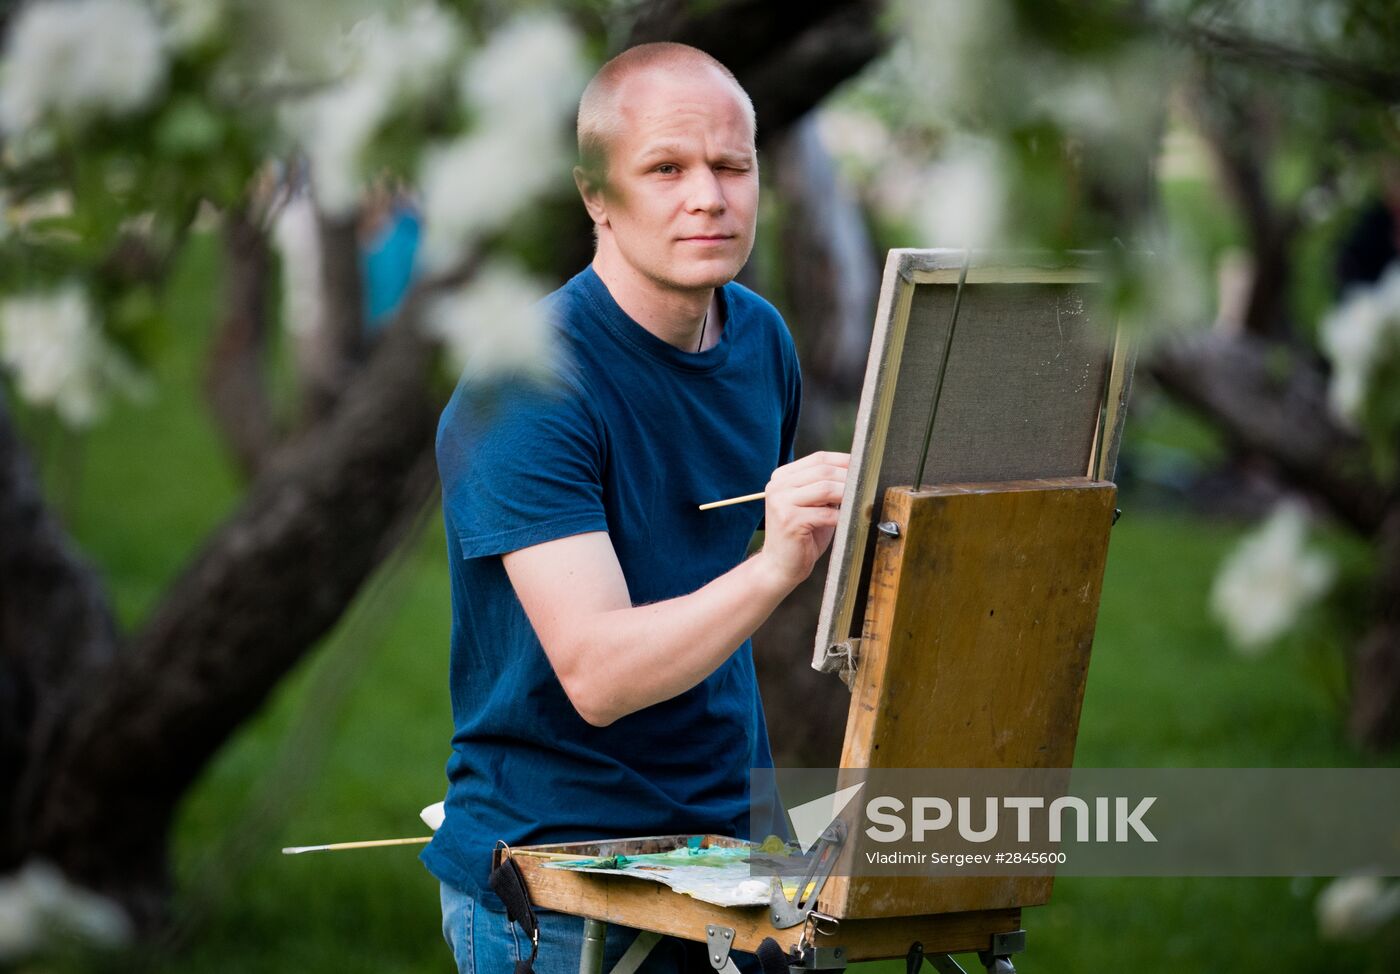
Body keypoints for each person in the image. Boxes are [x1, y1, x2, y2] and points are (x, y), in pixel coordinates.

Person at [423, 41, 850, 973]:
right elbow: (599, 675)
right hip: (559, 872)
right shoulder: (526, 384)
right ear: (595, 194)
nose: (709, 196)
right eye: (666, 168)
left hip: (731, 853)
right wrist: (777, 563)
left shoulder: (760, 339)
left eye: (732, 166)